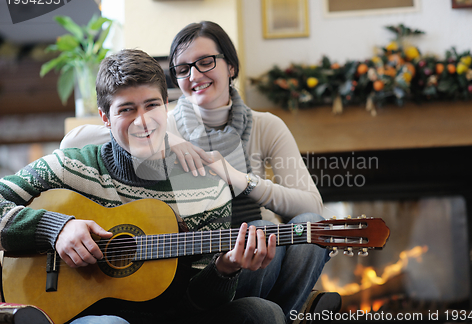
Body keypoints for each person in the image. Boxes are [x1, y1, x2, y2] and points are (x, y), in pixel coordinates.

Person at [60, 22, 341, 323]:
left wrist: (240, 180)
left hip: (260, 247)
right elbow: (74, 140)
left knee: (309, 228)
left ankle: (283, 316)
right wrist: (171, 139)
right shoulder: (159, 121)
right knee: (257, 228)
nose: (194, 75)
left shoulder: (266, 126)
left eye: (206, 62)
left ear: (231, 65)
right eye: (182, 69)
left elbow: (313, 206)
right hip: (205, 263)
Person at [0, 49, 285, 324]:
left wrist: (225, 269)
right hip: (87, 315)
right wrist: (55, 228)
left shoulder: (208, 189)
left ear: (166, 106)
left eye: (151, 105)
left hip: (177, 315)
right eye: (127, 109)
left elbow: (196, 303)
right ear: (105, 118)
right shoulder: (69, 167)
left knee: (262, 313)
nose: (143, 120)